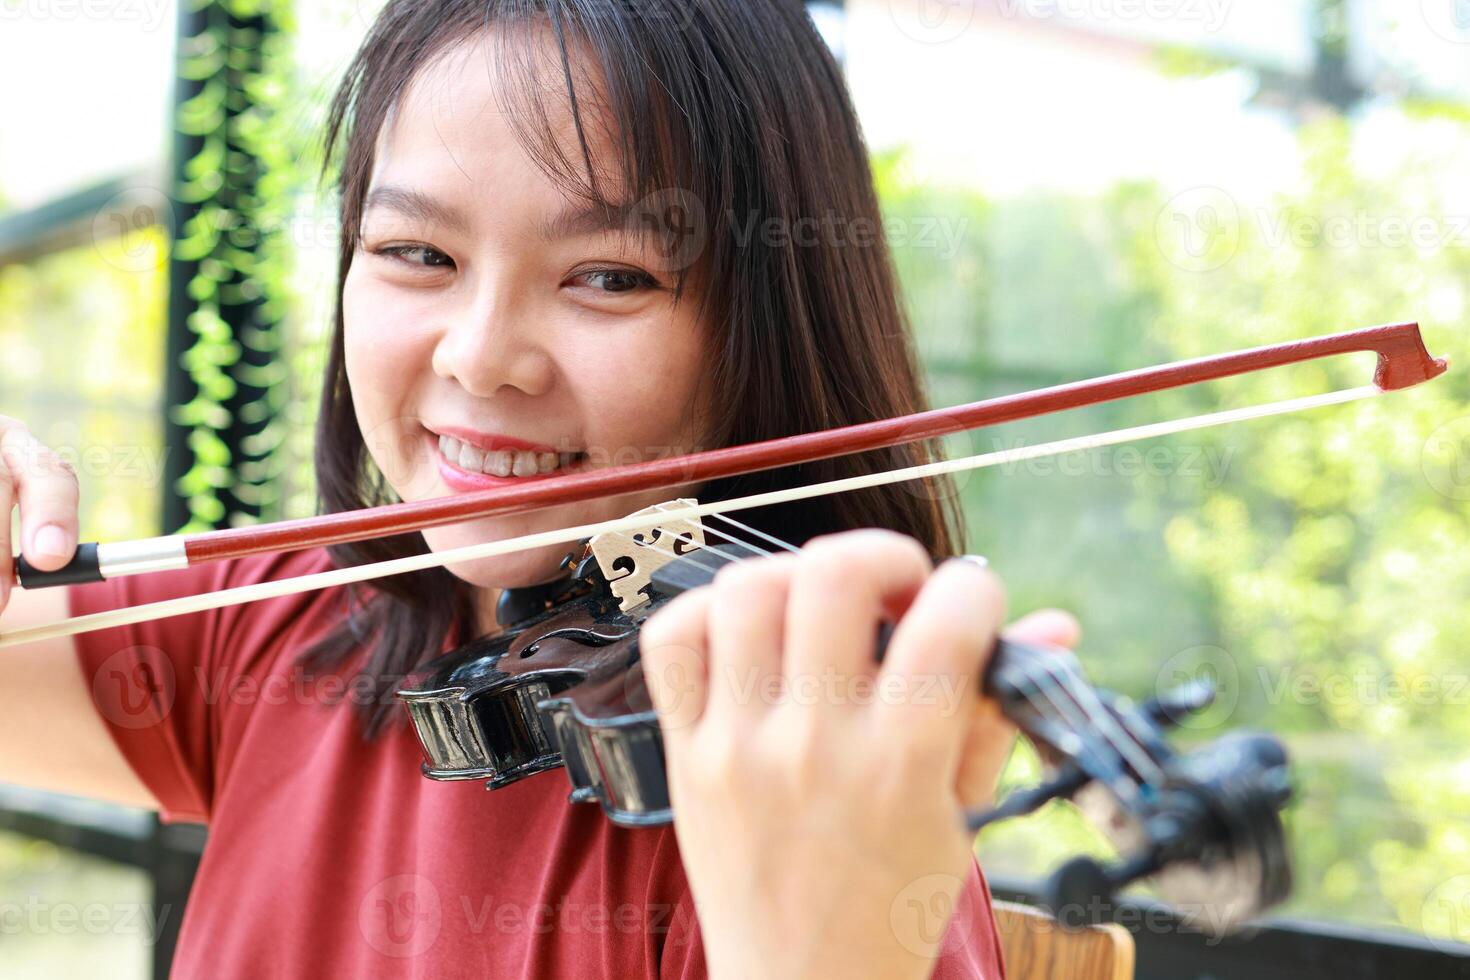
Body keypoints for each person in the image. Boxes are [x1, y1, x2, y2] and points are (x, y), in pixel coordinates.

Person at [0, 1, 1079, 976]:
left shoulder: (808, 796)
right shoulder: (284, 624)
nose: (480, 356)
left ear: (764, 327)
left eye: (609, 276)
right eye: (416, 251)